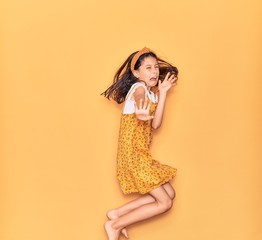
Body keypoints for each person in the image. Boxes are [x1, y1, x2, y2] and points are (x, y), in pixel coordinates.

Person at [101, 47, 178, 240]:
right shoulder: (139, 88)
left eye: (155, 68)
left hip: (141, 154)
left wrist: (163, 93)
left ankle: (116, 214)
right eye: (148, 68)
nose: (154, 72)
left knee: (169, 193)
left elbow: (156, 124)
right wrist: (140, 111)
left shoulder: (152, 94)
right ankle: (115, 225)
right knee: (164, 203)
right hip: (133, 156)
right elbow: (139, 97)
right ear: (136, 73)